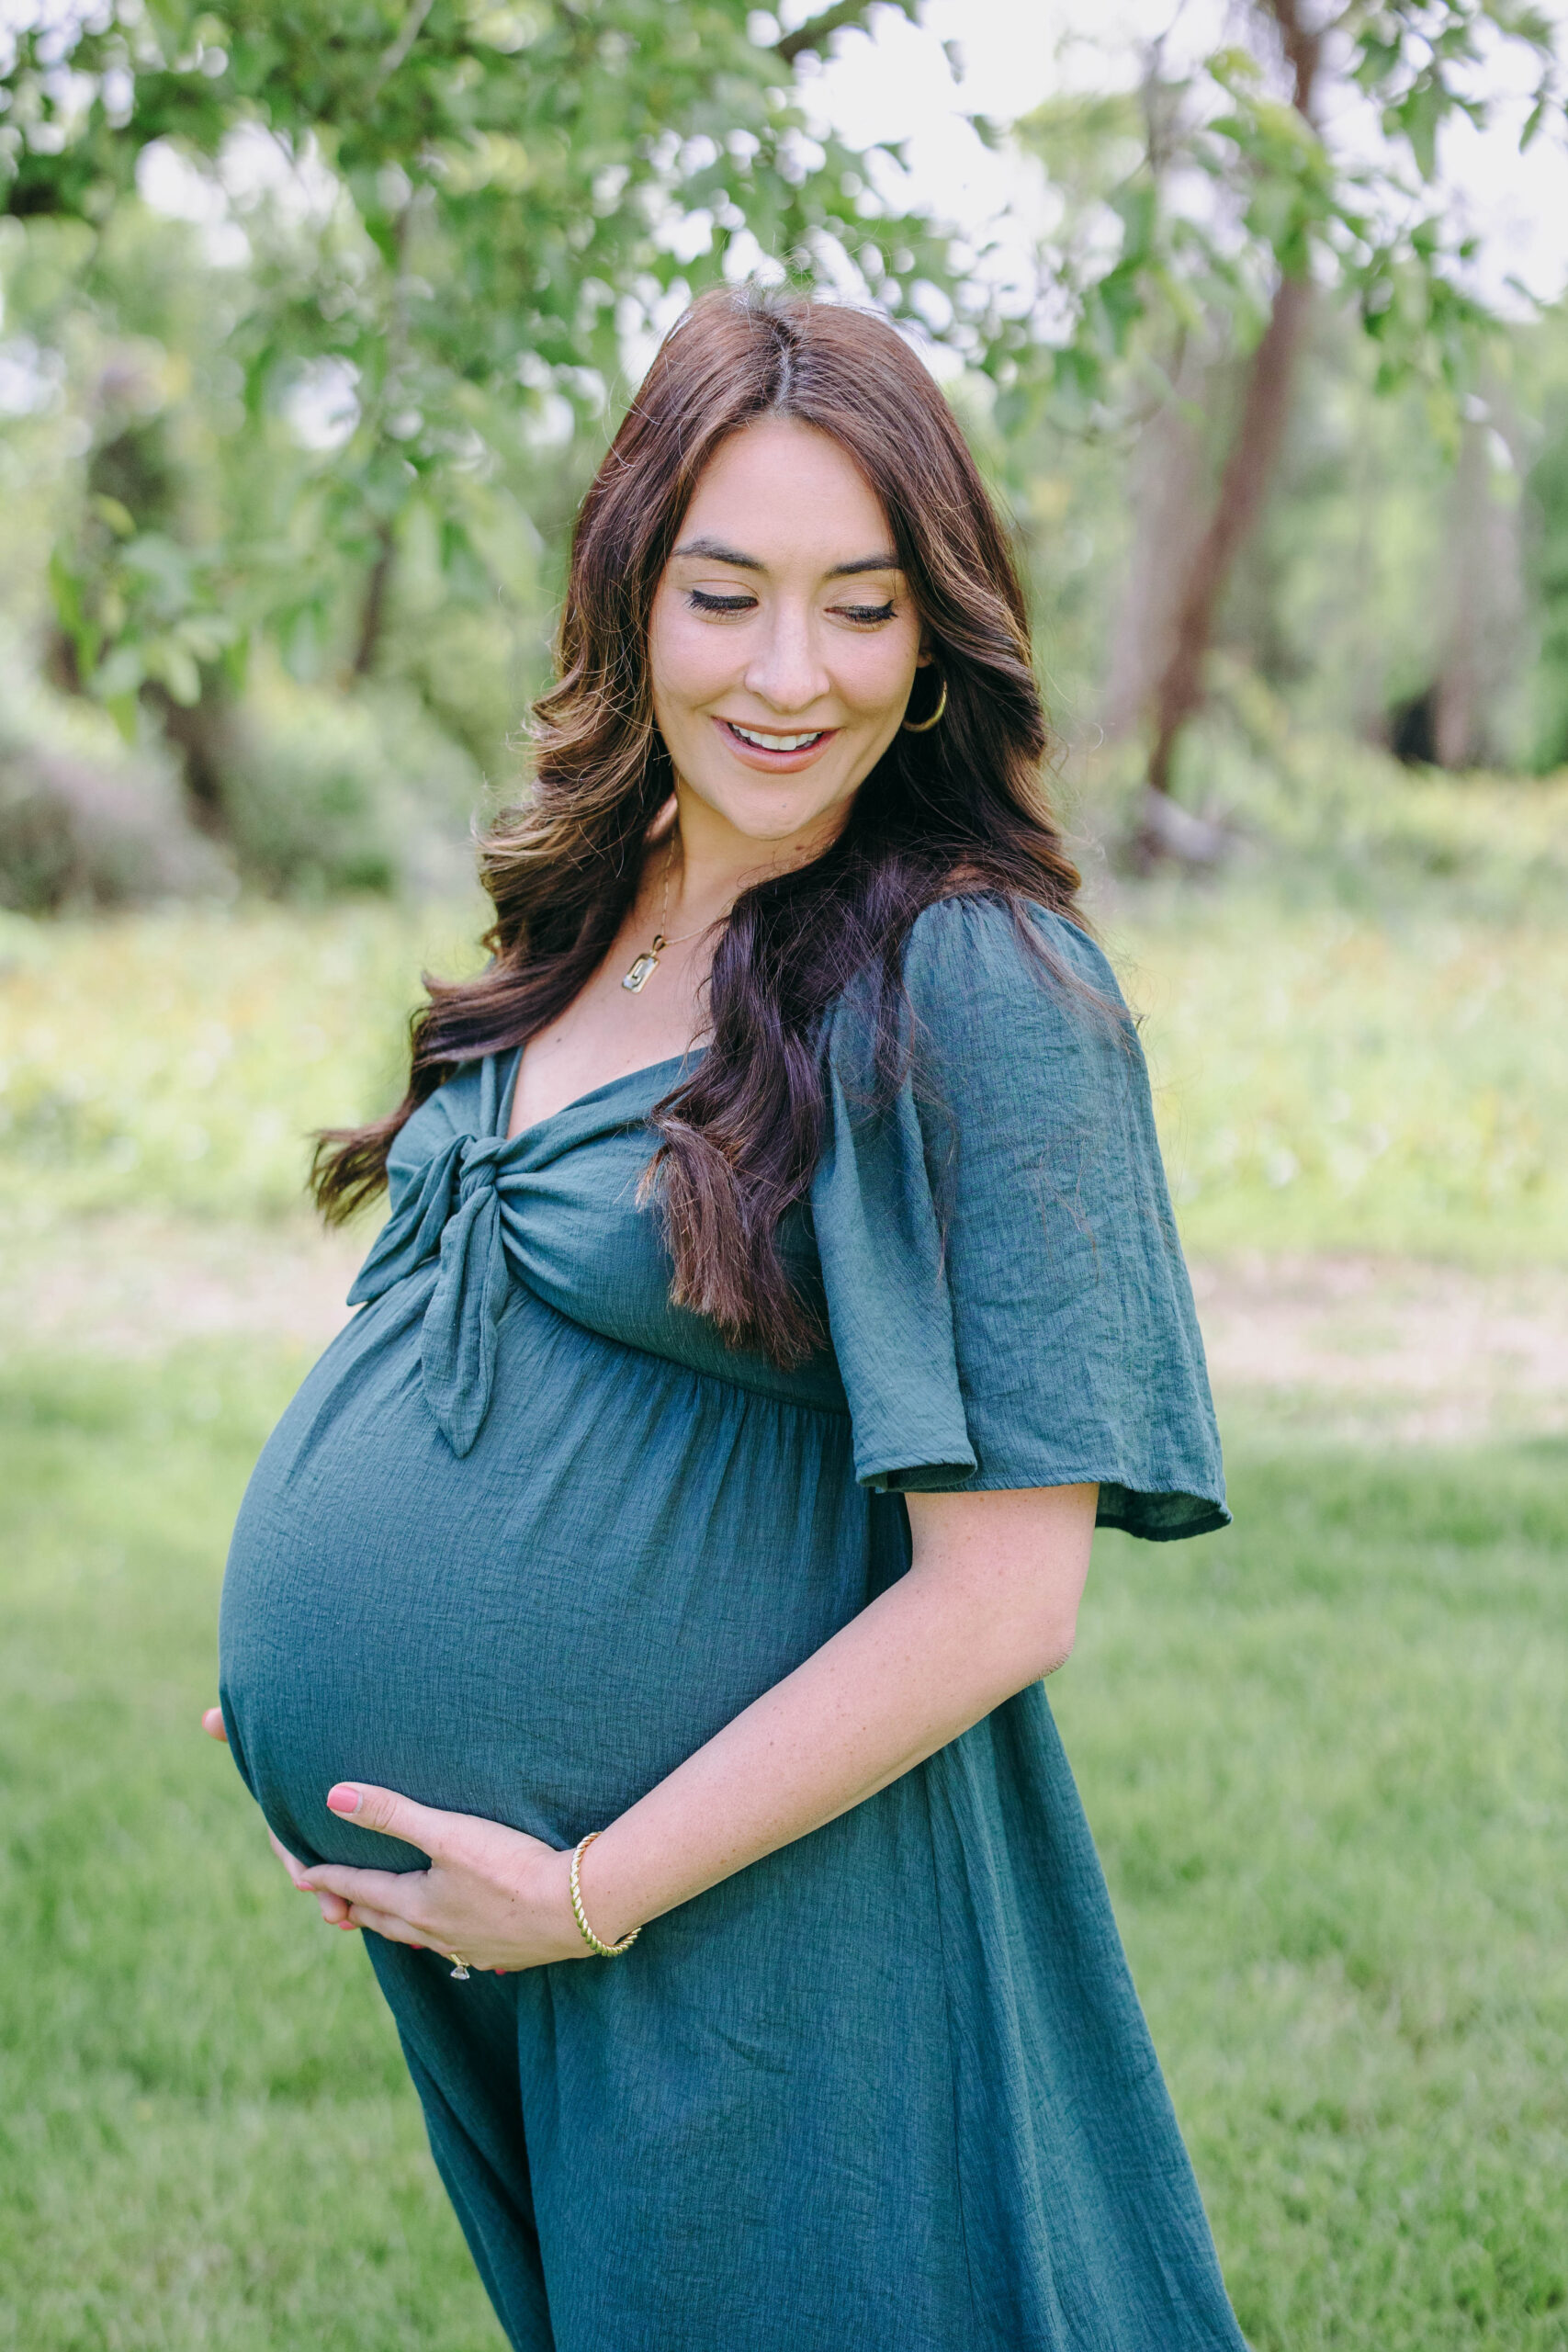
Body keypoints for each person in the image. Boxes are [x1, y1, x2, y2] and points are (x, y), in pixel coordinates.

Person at [208, 288, 1245, 2352]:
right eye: (727, 594)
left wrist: (585, 1891)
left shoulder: (976, 981)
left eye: (861, 607)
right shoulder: (600, 903)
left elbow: (1000, 1599)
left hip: (753, 1911)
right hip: (506, 1906)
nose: (791, 674)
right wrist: (312, 1654)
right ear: (630, 594)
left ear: (937, 632)